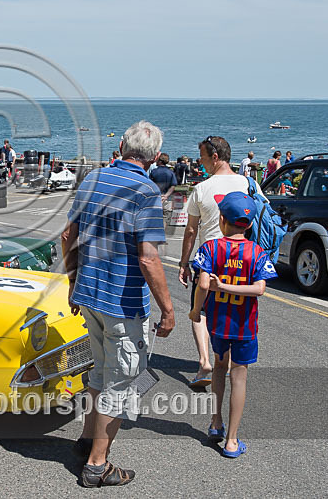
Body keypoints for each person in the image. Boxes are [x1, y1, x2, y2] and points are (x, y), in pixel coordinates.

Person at [62, 121, 174, 487]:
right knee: (120, 383)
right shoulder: (146, 192)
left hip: (89, 294)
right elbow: (148, 259)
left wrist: (73, 280)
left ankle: (85, 440)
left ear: (122, 146)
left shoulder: (92, 180)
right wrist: (169, 309)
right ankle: (97, 464)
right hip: (122, 302)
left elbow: (68, 236)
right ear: (155, 157)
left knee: (99, 373)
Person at [188, 191, 277, 458]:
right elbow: (260, 289)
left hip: (218, 323)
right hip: (244, 326)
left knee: (218, 368)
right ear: (249, 225)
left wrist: (195, 310)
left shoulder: (211, 248)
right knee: (239, 378)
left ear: (222, 220)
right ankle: (232, 440)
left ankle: (216, 423)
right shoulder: (257, 252)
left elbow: (204, 284)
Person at [178, 135, 265, 388]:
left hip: (210, 257)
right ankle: (226, 361)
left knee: (201, 311)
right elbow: (258, 218)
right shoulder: (249, 183)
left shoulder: (202, 188)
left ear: (215, 157)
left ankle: (206, 361)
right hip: (244, 258)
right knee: (234, 308)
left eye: (203, 158)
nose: (201, 164)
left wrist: (184, 263)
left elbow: (191, 230)